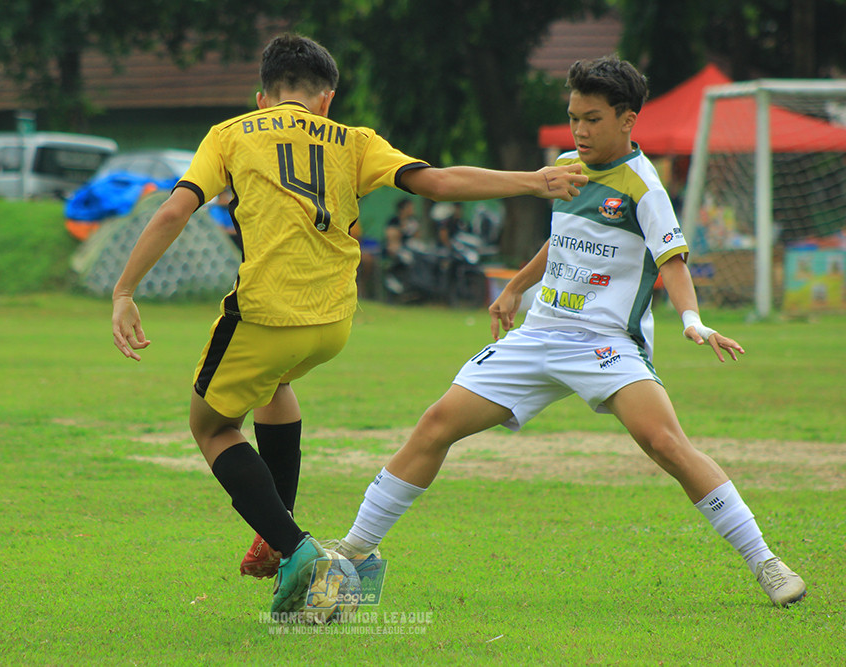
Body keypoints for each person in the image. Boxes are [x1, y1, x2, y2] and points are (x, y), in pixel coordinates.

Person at [110, 33, 588, 616]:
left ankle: (298, 550)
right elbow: (437, 181)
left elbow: (174, 210)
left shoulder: (231, 133)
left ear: (263, 98)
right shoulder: (355, 140)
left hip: (266, 313)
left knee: (211, 428)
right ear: (327, 100)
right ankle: (276, 533)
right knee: (275, 385)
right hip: (334, 320)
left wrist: (125, 290)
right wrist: (535, 180)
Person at [327, 55, 807, 609]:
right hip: (540, 335)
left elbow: (672, 262)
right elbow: (562, 239)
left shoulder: (644, 187)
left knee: (666, 444)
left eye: (593, 119)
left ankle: (765, 561)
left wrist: (692, 320)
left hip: (606, 344)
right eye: (574, 117)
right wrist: (515, 287)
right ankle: (355, 549)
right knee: (436, 424)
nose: (579, 130)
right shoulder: (564, 168)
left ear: (627, 119)